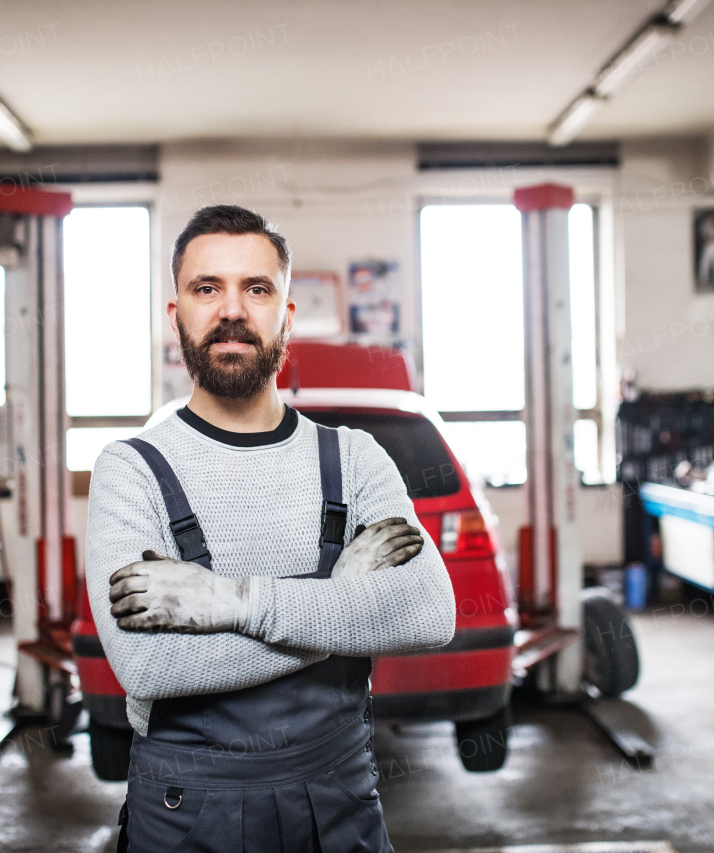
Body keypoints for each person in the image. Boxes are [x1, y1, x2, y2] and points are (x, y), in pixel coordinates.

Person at [85, 204, 456, 853]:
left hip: (341, 805)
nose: (233, 310)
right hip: (187, 816)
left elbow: (428, 612)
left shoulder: (356, 458)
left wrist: (230, 602)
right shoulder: (131, 470)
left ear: (286, 316)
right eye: (207, 288)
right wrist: (344, 607)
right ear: (177, 319)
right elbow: (148, 662)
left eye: (257, 288)